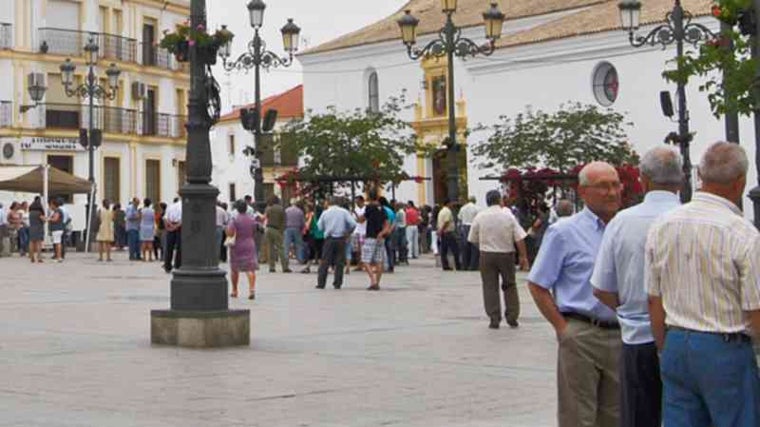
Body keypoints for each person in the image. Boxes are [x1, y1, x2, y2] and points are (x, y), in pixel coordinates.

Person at [645, 142, 760, 427]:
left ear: (699, 176)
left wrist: (664, 346)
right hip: (725, 347)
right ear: (740, 183)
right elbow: (755, 310)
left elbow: (653, 298)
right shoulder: (742, 233)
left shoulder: (663, 224)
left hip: (676, 341)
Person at [590, 147, 682, 427]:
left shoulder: (622, 222)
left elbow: (601, 287)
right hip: (684, 335)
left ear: (643, 179)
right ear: (681, 180)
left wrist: (628, 308)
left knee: (639, 417)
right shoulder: (691, 219)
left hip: (637, 337)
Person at [527, 162, 622, 427]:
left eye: (616, 185)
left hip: (622, 334)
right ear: (583, 191)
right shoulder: (564, 232)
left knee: (617, 416)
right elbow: (537, 284)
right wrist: (562, 328)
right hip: (582, 332)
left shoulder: (625, 227)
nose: (612, 192)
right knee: (578, 416)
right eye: (603, 186)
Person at [468, 190, 530, 329]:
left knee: (490, 286)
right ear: (500, 200)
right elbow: (519, 238)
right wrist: (523, 256)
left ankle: (494, 317)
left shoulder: (480, 216)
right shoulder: (508, 216)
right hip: (506, 254)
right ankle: (512, 316)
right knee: (510, 285)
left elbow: (472, 238)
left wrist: (482, 246)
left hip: (486, 255)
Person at [316, 196, 357, 289]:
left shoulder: (325, 213)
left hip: (329, 239)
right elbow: (353, 224)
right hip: (341, 239)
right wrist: (348, 232)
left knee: (325, 261)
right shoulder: (344, 212)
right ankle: (337, 283)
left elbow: (320, 227)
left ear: (329, 202)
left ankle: (321, 283)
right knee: (340, 262)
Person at [227, 200, 259, 300]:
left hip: (237, 244)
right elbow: (254, 230)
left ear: (237, 209)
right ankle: (252, 289)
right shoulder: (251, 219)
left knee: (235, 269)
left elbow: (230, 233)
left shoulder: (235, 220)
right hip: (249, 243)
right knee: (250, 268)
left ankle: (234, 290)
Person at [361, 189, 390, 291]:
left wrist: (358, 217)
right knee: (379, 260)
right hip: (380, 237)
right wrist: (382, 233)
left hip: (371, 236)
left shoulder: (369, 207)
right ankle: (377, 282)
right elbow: (387, 224)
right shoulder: (383, 209)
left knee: (365, 260)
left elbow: (362, 219)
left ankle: (373, 280)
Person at [264, 196, 289, 273]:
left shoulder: (268, 208)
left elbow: (266, 217)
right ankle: (285, 267)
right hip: (277, 229)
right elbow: (284, 221)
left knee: (270, 248)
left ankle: (272, 267)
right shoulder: (281, 209)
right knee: (280, 248)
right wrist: (282, 231)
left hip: (268, 229)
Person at [437, 198, 461, 271]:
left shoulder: (441, 211)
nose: (452, 205)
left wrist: (440, 230)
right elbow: (446, 221)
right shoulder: (448, 211)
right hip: (448, 232)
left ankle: (445, 265)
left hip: (443, 233)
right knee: (455, 249)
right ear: (448, 203)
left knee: (444, 250)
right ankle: (458, 265)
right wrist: (442, 229)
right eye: (451, 203)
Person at [302, 201, 325, 274]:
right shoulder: (322, 217)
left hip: (313, 235)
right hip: (322, 236)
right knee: (320, 252)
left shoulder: (312, 216)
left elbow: (308, 226)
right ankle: (321, 267)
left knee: (311, 251)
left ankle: (308, 267)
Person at [458, 196, 481, 270]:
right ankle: (473, 265)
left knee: (465, 247)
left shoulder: (463, 208)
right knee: (474, 247)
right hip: (473, 226)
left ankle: (465, 265)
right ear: (474, 201)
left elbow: (460, 218)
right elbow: (479, 219)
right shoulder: (477, 208)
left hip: (465, 227)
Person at [283, 199, 305, 270]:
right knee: (299, 244)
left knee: (287, 245)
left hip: (288, 228)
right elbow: (302, 222)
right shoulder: (300, 211)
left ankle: (285, 259)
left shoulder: (286, 210)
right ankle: (300, 259)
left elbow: (284, 220)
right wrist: (302, 228)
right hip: (297, 228)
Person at [163, 198, 182, 273]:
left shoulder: (170, 206)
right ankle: (178, 264)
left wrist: (169, 226)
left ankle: (167, 265)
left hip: (170, 226)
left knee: (169, 247)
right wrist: (176, 226)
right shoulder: (183, 206)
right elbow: (184, 219)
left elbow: (165, 218)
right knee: (180, 247)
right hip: (180, 227)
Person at [352, 196, 367, 271]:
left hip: (364, 231)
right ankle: (359, 264)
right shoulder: (356, 209)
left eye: (357, 201)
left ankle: (364, 264)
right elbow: (355, 220)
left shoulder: (366, 209)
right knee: (357, 249)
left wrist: (356, 214)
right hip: (357, 231)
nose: (356, 203)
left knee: (363, 249)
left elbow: (361, 220)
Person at [28, 197, 45, 263]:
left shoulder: (30, 212)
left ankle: (32, 257)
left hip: (31, 227)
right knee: (38, 243)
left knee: (31, 242)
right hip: (38, 228)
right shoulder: (39, 213)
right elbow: (43, 220)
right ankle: (39, 257)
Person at [48, 198, 65, 263]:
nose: (50, 206)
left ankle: (58, 257)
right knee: (57, 242)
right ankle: (58, 256)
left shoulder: (57, 211)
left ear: (54, 205)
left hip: (57, 229)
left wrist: (48, 219)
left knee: (57, 243)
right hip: (57, 229)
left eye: (51, 205)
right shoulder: (57, 211)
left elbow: (55, 219)